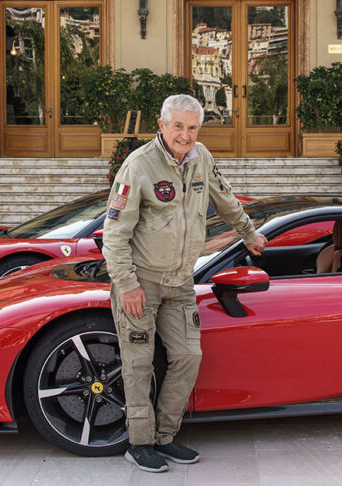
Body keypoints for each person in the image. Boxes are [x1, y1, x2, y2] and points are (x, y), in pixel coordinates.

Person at [102, 94, 267, 473]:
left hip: (180, 282)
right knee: (138, 363)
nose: (185, 135)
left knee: (189, 356)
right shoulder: (138, 166)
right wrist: (126, 284)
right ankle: (140, 443)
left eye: (192, 128)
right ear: (162, 126)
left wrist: (249, 233)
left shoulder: (201, 158)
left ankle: (165, 436)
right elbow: (114, 233)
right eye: (178, 126)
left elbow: (224, 199)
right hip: (141, 281)